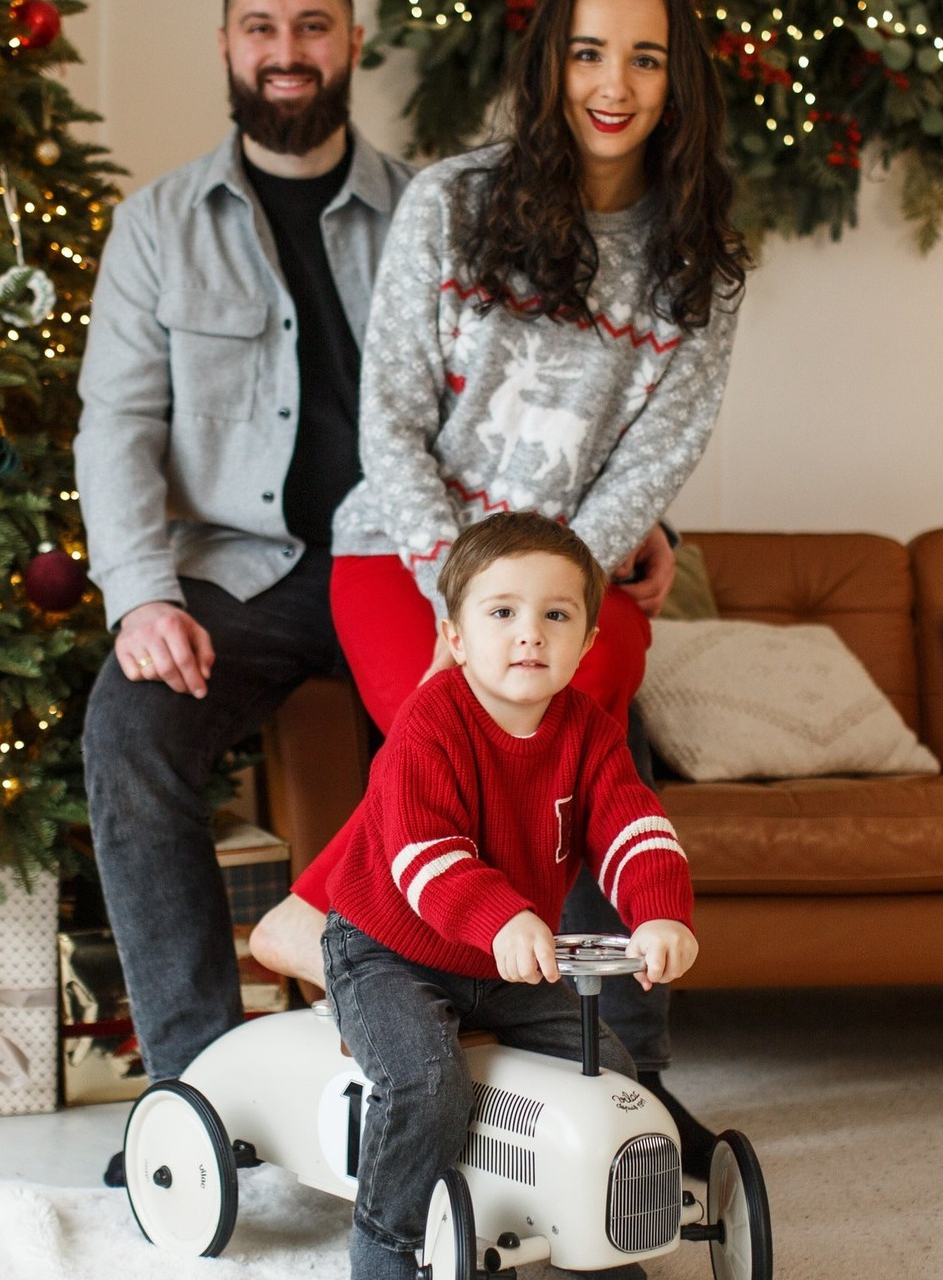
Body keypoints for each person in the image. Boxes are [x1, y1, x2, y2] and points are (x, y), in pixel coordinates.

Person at [252, 0, 748, 1176]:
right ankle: (357, 938)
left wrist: (547, 594)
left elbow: (653, 458)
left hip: (577, 566)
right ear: (549, 65)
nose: (612, 83)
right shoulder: (452, 203)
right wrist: (462, 603)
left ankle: (622, 1066)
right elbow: (390, 416)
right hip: (403, 551)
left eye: (643, 57)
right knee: (454, 712)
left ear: (680, 80)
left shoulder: (700, 259)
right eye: (587, 52)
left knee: (584, 737)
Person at [73, 0, 412, 1115]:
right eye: (258, 25)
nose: (284, 52)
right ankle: (205, 1092)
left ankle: (497, 1053)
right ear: (225, 45)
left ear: (351, 43)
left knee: (529, 722)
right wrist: (141, 597)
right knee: (130, 728)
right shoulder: (157, 223)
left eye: (311, 25)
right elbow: (115, 422)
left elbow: (509, 394)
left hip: (405, 561)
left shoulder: (428, 213)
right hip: (240, 574)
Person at [322, 511, 698, 1280]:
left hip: (504, 958)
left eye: (556, 615)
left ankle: (594, 1227)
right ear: (455, 636)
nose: (530, 634)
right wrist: (502, 914)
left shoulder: (590, 731)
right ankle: (387, 1240)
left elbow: (633, 823)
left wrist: (659, 910)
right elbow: (424, 852)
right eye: (502, 613)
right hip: (388, 947)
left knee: (608, 1073)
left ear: (587, 642)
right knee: (427, 1082)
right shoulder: (427, 727)